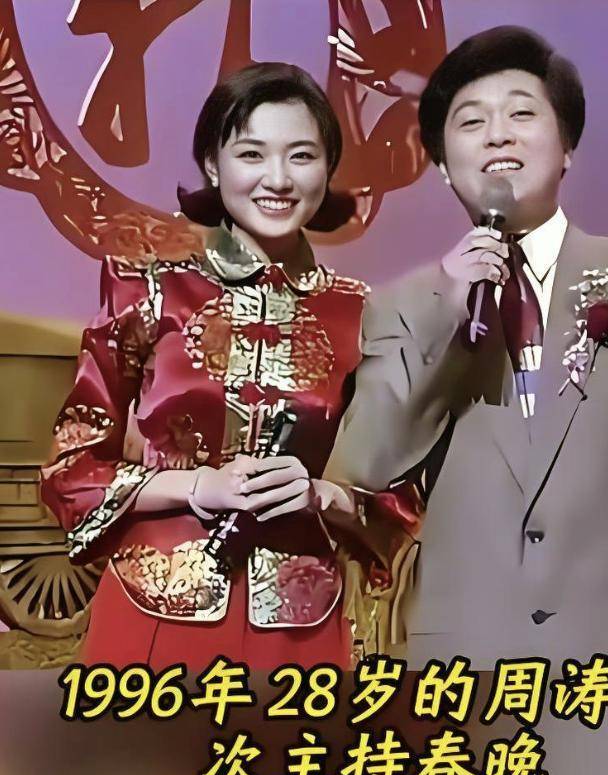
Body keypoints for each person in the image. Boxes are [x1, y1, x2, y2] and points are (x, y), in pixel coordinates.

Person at [321, 26, 608, 670]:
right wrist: (446, 308)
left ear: (567, 146)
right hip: (464, 671)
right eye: (472, 122)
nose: (498, 135)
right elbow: (364, 464)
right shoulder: (402, 306)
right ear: (440, 165)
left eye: (522, 114)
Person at [41, 62, 393, 670]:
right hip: (154, 609)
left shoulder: (362, 314)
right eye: (252, 154)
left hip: (301, 618)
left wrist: (321, 494)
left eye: (302, 156)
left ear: (329, 167)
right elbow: (72, 467)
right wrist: (196, 486)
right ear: (213, 164)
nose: (277, 179)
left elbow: (398, 493)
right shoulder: (149, 292)